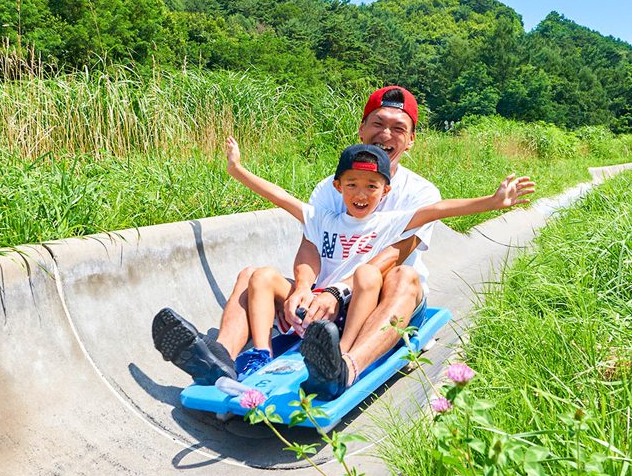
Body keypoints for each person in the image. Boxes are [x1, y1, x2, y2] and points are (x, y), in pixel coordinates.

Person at [152, 86, 501, 394]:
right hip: (325, 296)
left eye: (398, 128)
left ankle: (345, 366)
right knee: (251, 276)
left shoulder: (419, 193)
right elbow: (311, 242)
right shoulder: (330, 186)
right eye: (377, 123)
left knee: (401, 277)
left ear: (410, 141)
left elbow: (395, 255)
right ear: (362, 129)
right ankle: (219, 361)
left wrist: (338, 292)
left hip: (381, 300)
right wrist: (305, 286)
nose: (385, 134)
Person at [220, 135, 534, 391]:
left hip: (355, 312)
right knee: (261, 275)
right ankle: (261, 353)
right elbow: (279, 196)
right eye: (352, 184)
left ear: (385, 191)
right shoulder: (322, 216)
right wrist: (238, 171)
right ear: (338, 186)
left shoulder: (390, 222)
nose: (361, 193)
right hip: (315, 308)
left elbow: (439, 209)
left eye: (371, 186)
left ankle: (340, 356)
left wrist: (492, 202)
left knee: (369, 273)